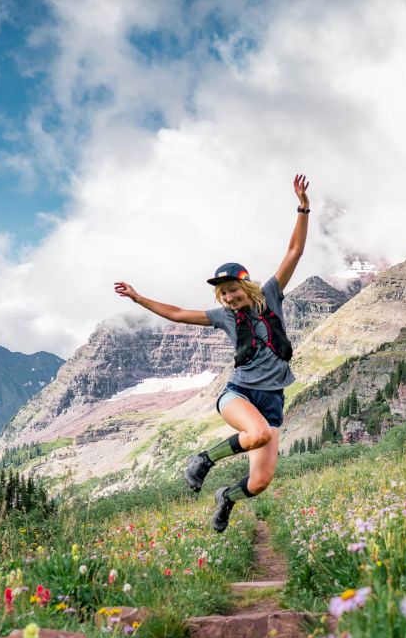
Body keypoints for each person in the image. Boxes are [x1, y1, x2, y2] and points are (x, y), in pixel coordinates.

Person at [113, 174, 310, 532]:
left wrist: (303, 207)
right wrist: (138, 297)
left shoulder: (270, 295)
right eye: (224, 294)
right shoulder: (223, 317)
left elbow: (294, 251)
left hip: (272, 400)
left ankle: (226, 498)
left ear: (245, 285)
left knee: (261, 481)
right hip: (238, 395)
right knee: (260, 433)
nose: (230, 297)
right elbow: (176, 313)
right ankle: (203, 460)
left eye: (233, 290)